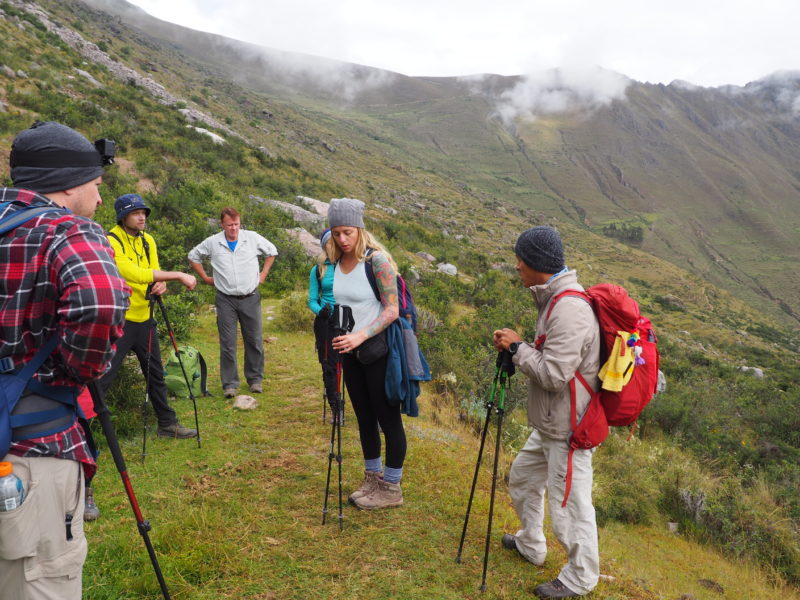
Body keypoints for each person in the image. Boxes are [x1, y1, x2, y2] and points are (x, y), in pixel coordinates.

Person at [0, 121, 129, 599]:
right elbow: (99, 302)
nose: (99, 199)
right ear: (69, 183)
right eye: (96, 186)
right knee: (41, 578)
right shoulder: (68, 230)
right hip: (33, 449)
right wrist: (83, 371)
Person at [492, 226, 601, 599]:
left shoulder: (569, 309)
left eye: (521, 259)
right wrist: (520, 348)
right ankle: (531, 544)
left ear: (537, 263)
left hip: (569, 429)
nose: (517, 265)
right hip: (551, 423)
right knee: (522, 479)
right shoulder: (554, 298)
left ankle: (580, 578)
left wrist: (518, 348)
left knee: (569, 506)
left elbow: (554, 375)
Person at [97, 193, 198, 442]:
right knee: (103, 376)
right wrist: (176, 275)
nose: (142, 216)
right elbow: (130, 272)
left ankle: (167, 424)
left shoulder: (147, 240)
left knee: (155, 373)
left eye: (144, 212)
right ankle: (85, 429)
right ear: (123, 217)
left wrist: (161, 285)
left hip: (145, 316)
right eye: (135, 213)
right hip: (120, 319)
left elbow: (151, 274)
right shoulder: (110, 240)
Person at [326, 198, 405, 510]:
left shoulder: (377, 261)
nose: (342, 239)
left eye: (347, 232)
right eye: (336, 233)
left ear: (359, 229)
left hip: (377, 352)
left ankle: (392, 487)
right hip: (350, 353)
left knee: (388, 418)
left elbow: (392, 310)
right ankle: (373, 479)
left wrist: (360, 334)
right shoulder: (335, 262)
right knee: (364, 419)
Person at [188, 207, 278, 398]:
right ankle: (229, 384)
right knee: (228, 343)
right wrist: (204, 277)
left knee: (254, 340)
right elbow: (193, 256)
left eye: (236, 224)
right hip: (225, 299)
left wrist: (263, 274)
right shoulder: (213, 242)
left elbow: (272, 252)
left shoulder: (252, 238)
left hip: (250, 296)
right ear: (222, 224)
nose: (233, 229)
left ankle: (255, 380)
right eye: (229, 225)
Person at [307, 228, 339, 420]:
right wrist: (320, 311)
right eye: (330, 241)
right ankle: (336, 407)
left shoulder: (350, 265)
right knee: (329, 365)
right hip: (326, 322)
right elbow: (312, 299)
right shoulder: (318, 269)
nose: (333, 244)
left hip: (349, 320)